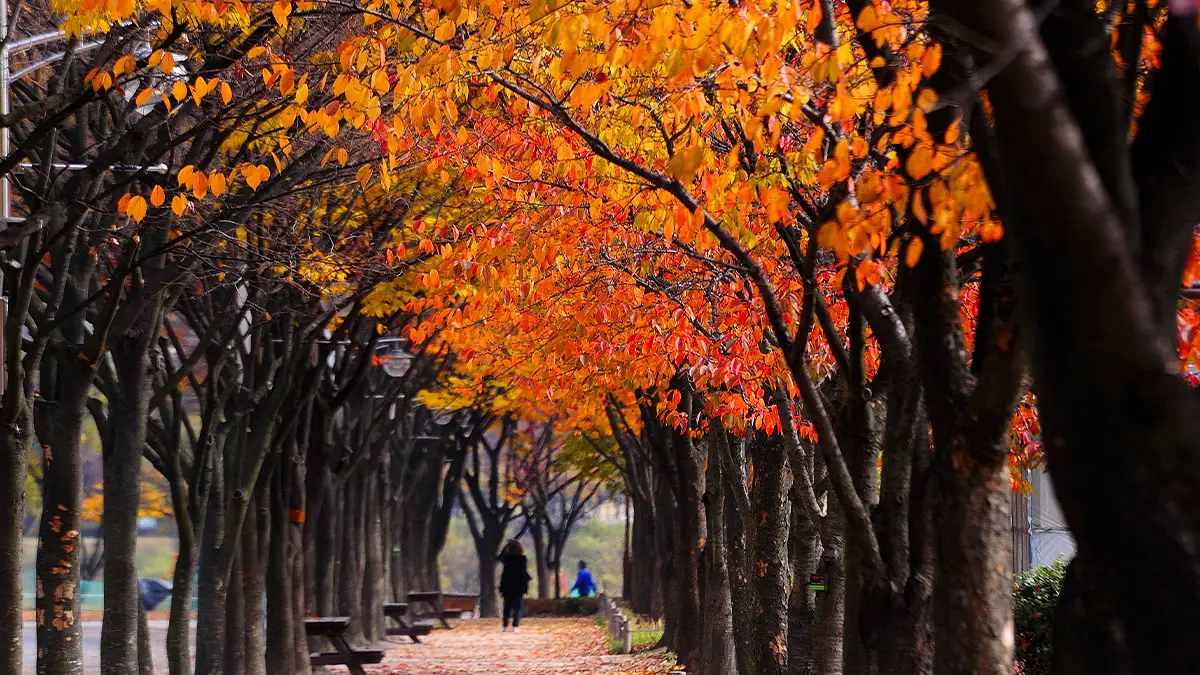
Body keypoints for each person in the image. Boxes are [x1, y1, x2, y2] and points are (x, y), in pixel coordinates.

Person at [497, 540, 531, 632]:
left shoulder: (507, 558)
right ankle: (515, 626)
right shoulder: (522, 559)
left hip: (507, 586)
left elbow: (499, 557)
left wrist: (506, 546)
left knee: (507, 607)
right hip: (519, 586)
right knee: (517, 607)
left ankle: (505, 626)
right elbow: (523, 572)